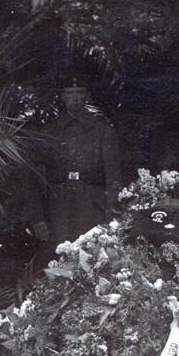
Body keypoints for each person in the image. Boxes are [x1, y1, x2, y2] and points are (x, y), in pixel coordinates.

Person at [32, 76, 122, 246]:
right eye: (70, 93)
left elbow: (113, 175)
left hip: (92, 204)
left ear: (86, 96)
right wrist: (38, 217)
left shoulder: (102, 130)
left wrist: (112, 215)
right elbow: (36, 177)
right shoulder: (49, 131)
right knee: (60, 254)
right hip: (59, 206)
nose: (75, 97)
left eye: (79, 93)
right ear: (63, 96)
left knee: (93, 253)